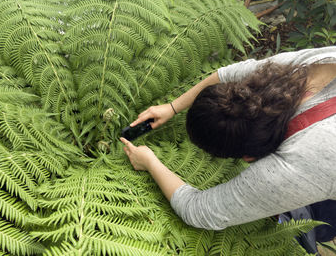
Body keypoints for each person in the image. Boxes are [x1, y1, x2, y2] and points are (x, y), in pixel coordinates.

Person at [120, 46, 336, 249]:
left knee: (321, 218)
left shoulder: (302, 161)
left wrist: (149, 161)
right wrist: (172, 107)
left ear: (249, 157)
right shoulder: (304, 68)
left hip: (323, 161)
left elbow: (198, 211)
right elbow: (227, 74)